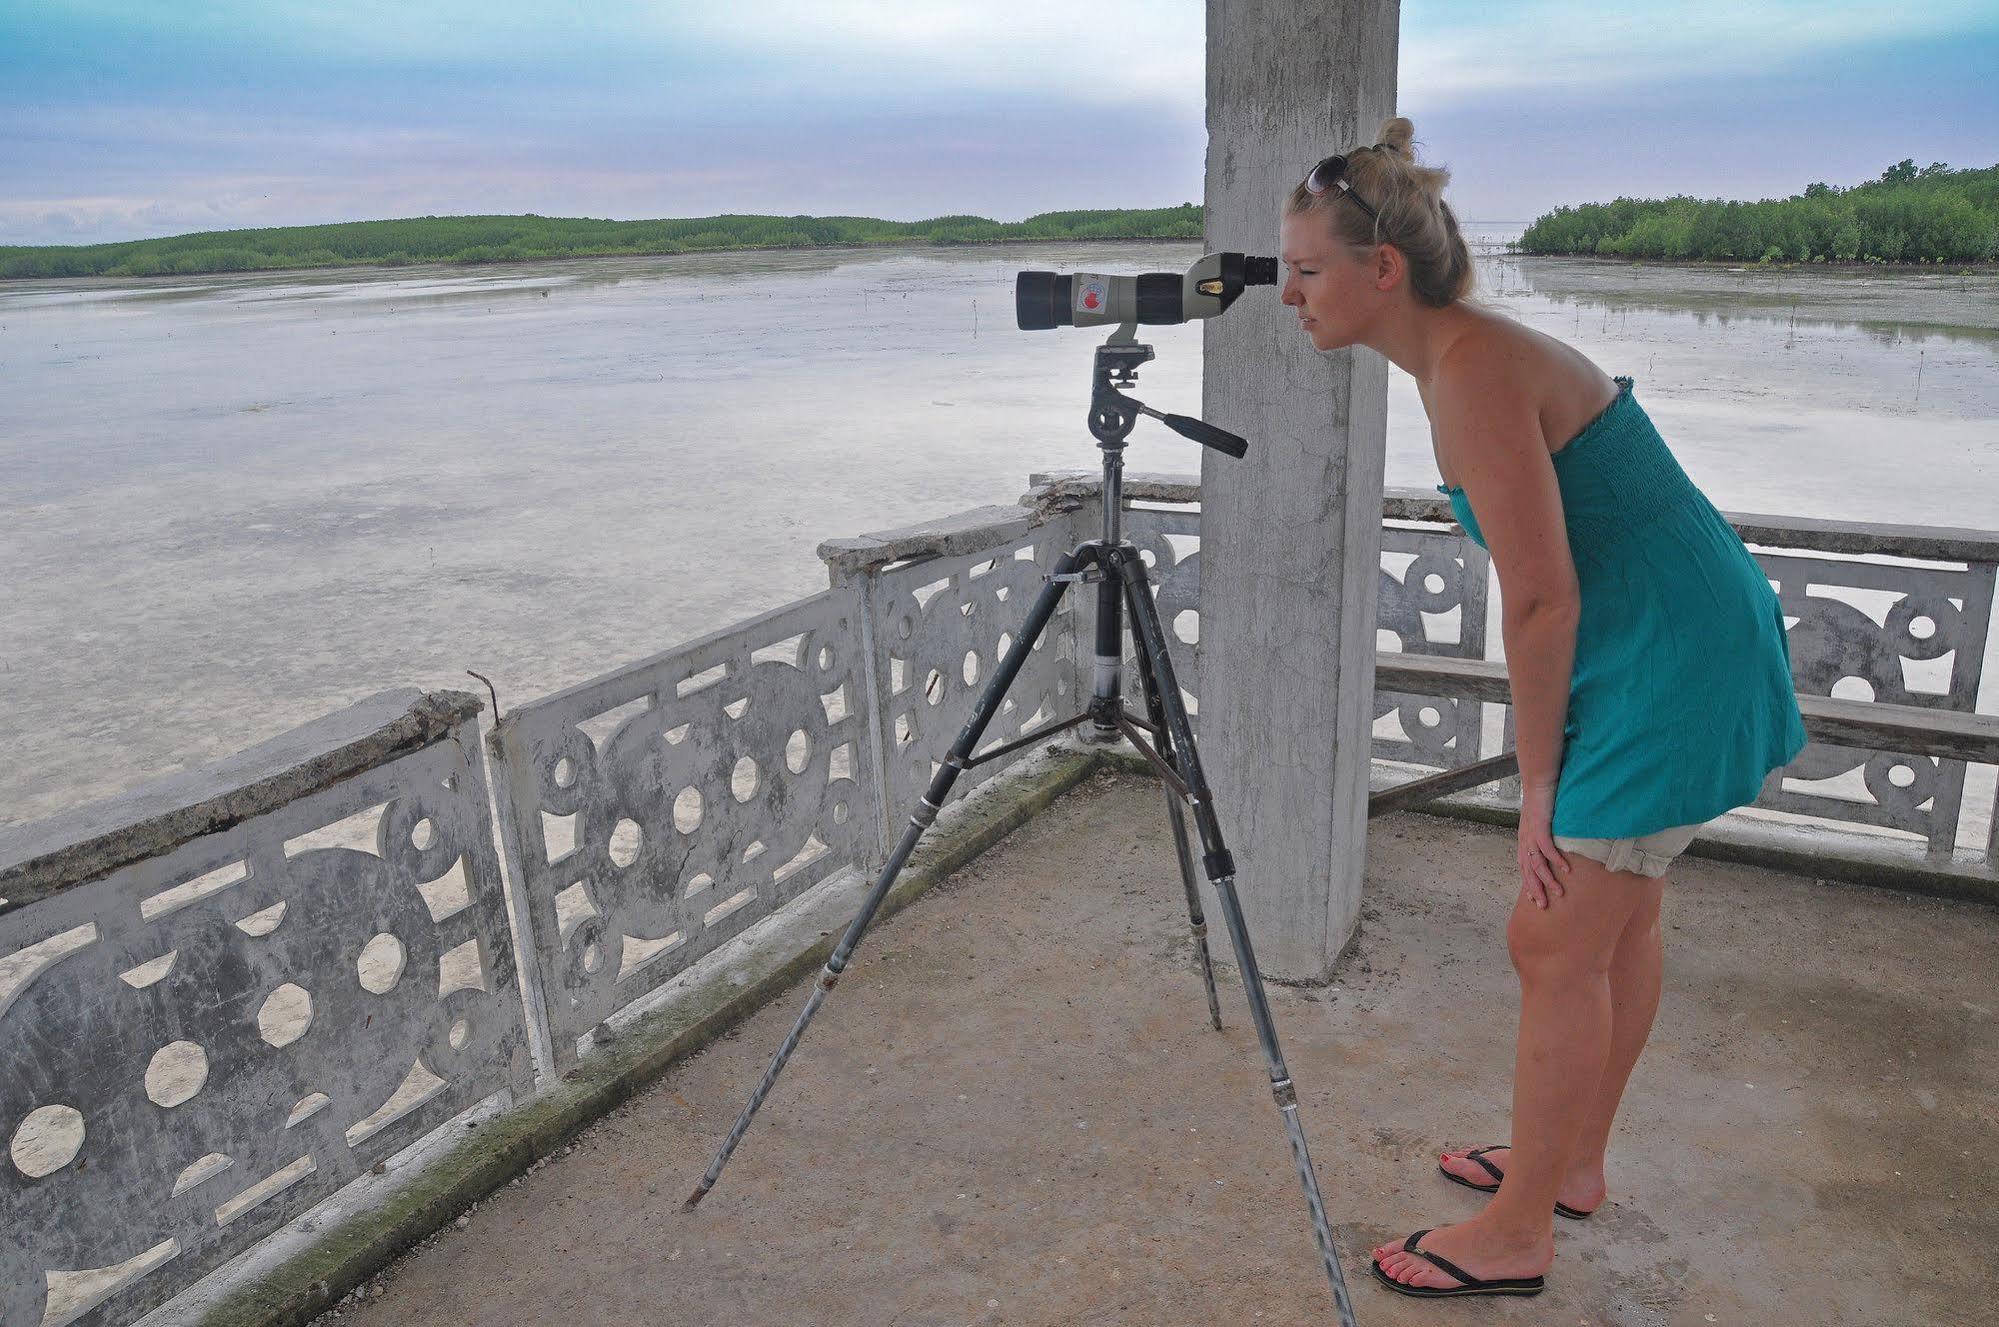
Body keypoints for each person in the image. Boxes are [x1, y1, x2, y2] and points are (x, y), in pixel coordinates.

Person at [1277, 116, 1808, 1300]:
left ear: (1380, 272)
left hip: (1668, 662)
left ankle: (1519, 1229)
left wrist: (1538, 787)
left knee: (1553, 931)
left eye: (1305, 270)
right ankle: (1568, 1164)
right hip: (1678, 633)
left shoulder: (1469, 374)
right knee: (1612, 924)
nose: (1285, 295)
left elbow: (1540, 599)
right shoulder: (1465, 357)